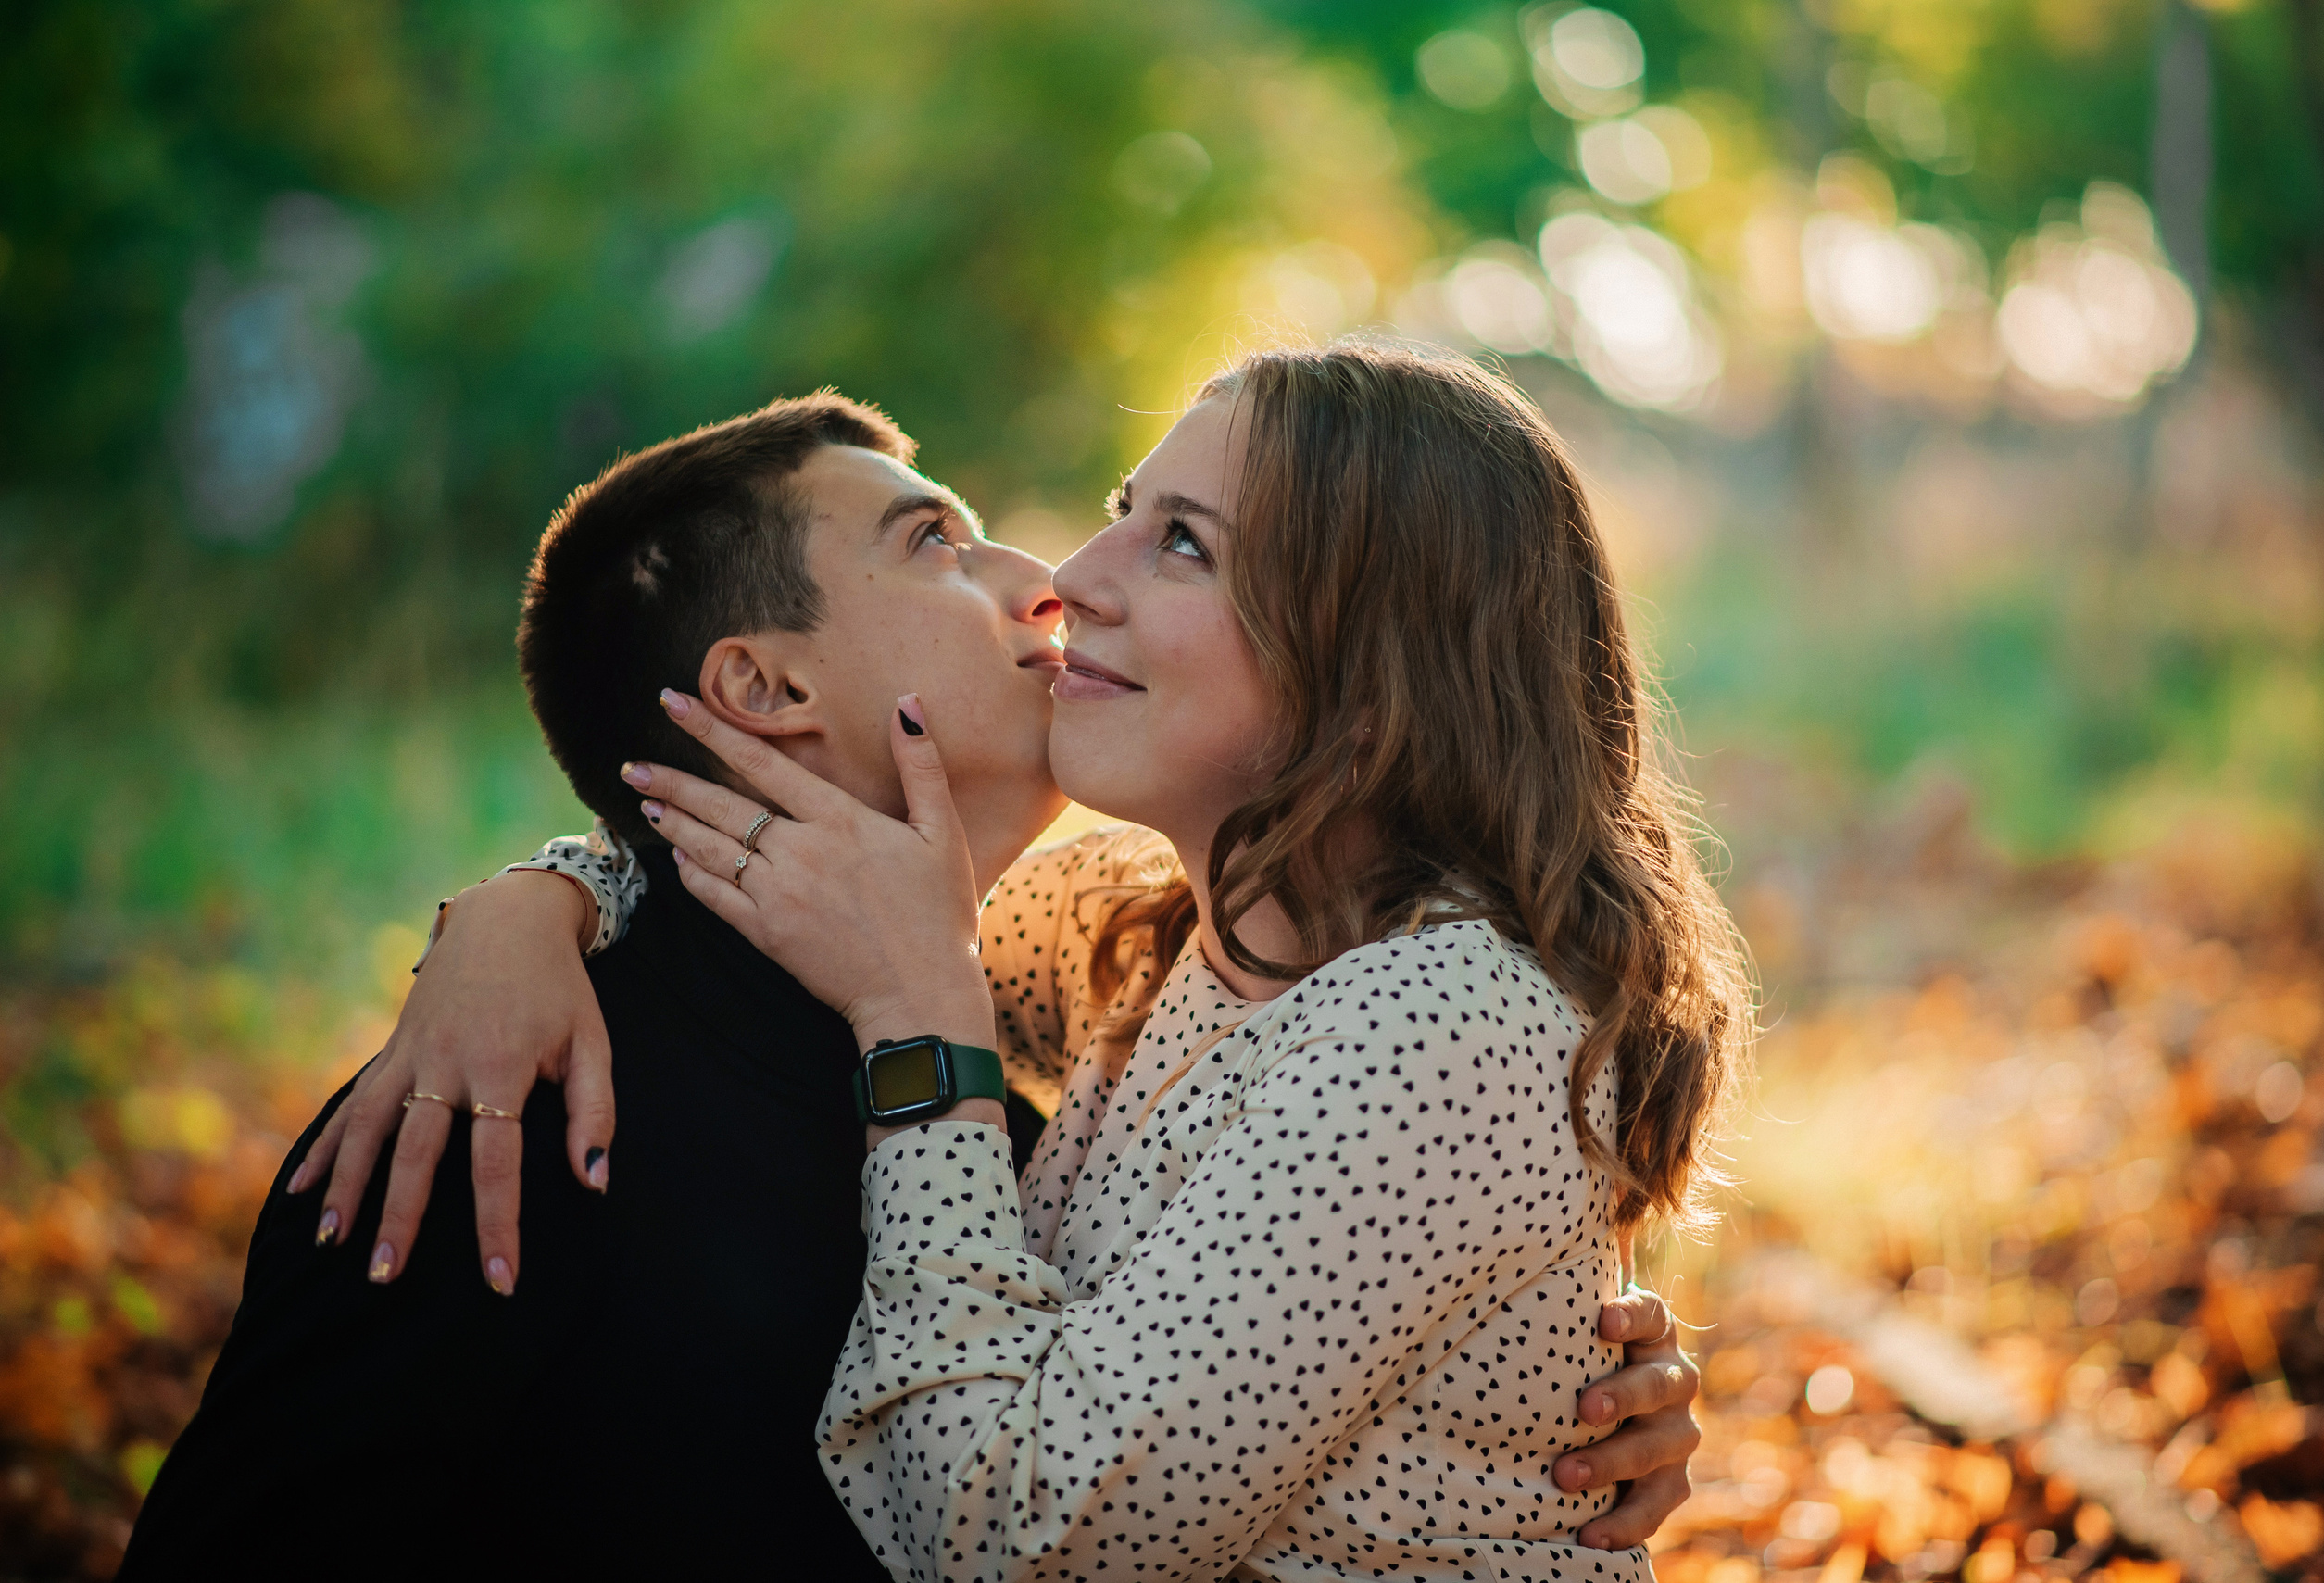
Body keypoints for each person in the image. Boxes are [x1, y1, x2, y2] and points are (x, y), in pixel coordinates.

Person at [332, 342, 1742, 1579]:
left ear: (1374, 674)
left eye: (1182, 544)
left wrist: (925, 1038)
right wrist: (530, 904)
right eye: (1126, 513)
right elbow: (792, 891)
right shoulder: (1162, 931)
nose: (1071, 578)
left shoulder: (1444, 1023)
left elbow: (1024, 1541)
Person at [120, 392, 1070, 1577]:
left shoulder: (1022, 1129)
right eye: (936, 542)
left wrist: (552, 882)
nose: (1045, 582)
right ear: (765, 692)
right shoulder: (503, 1111)